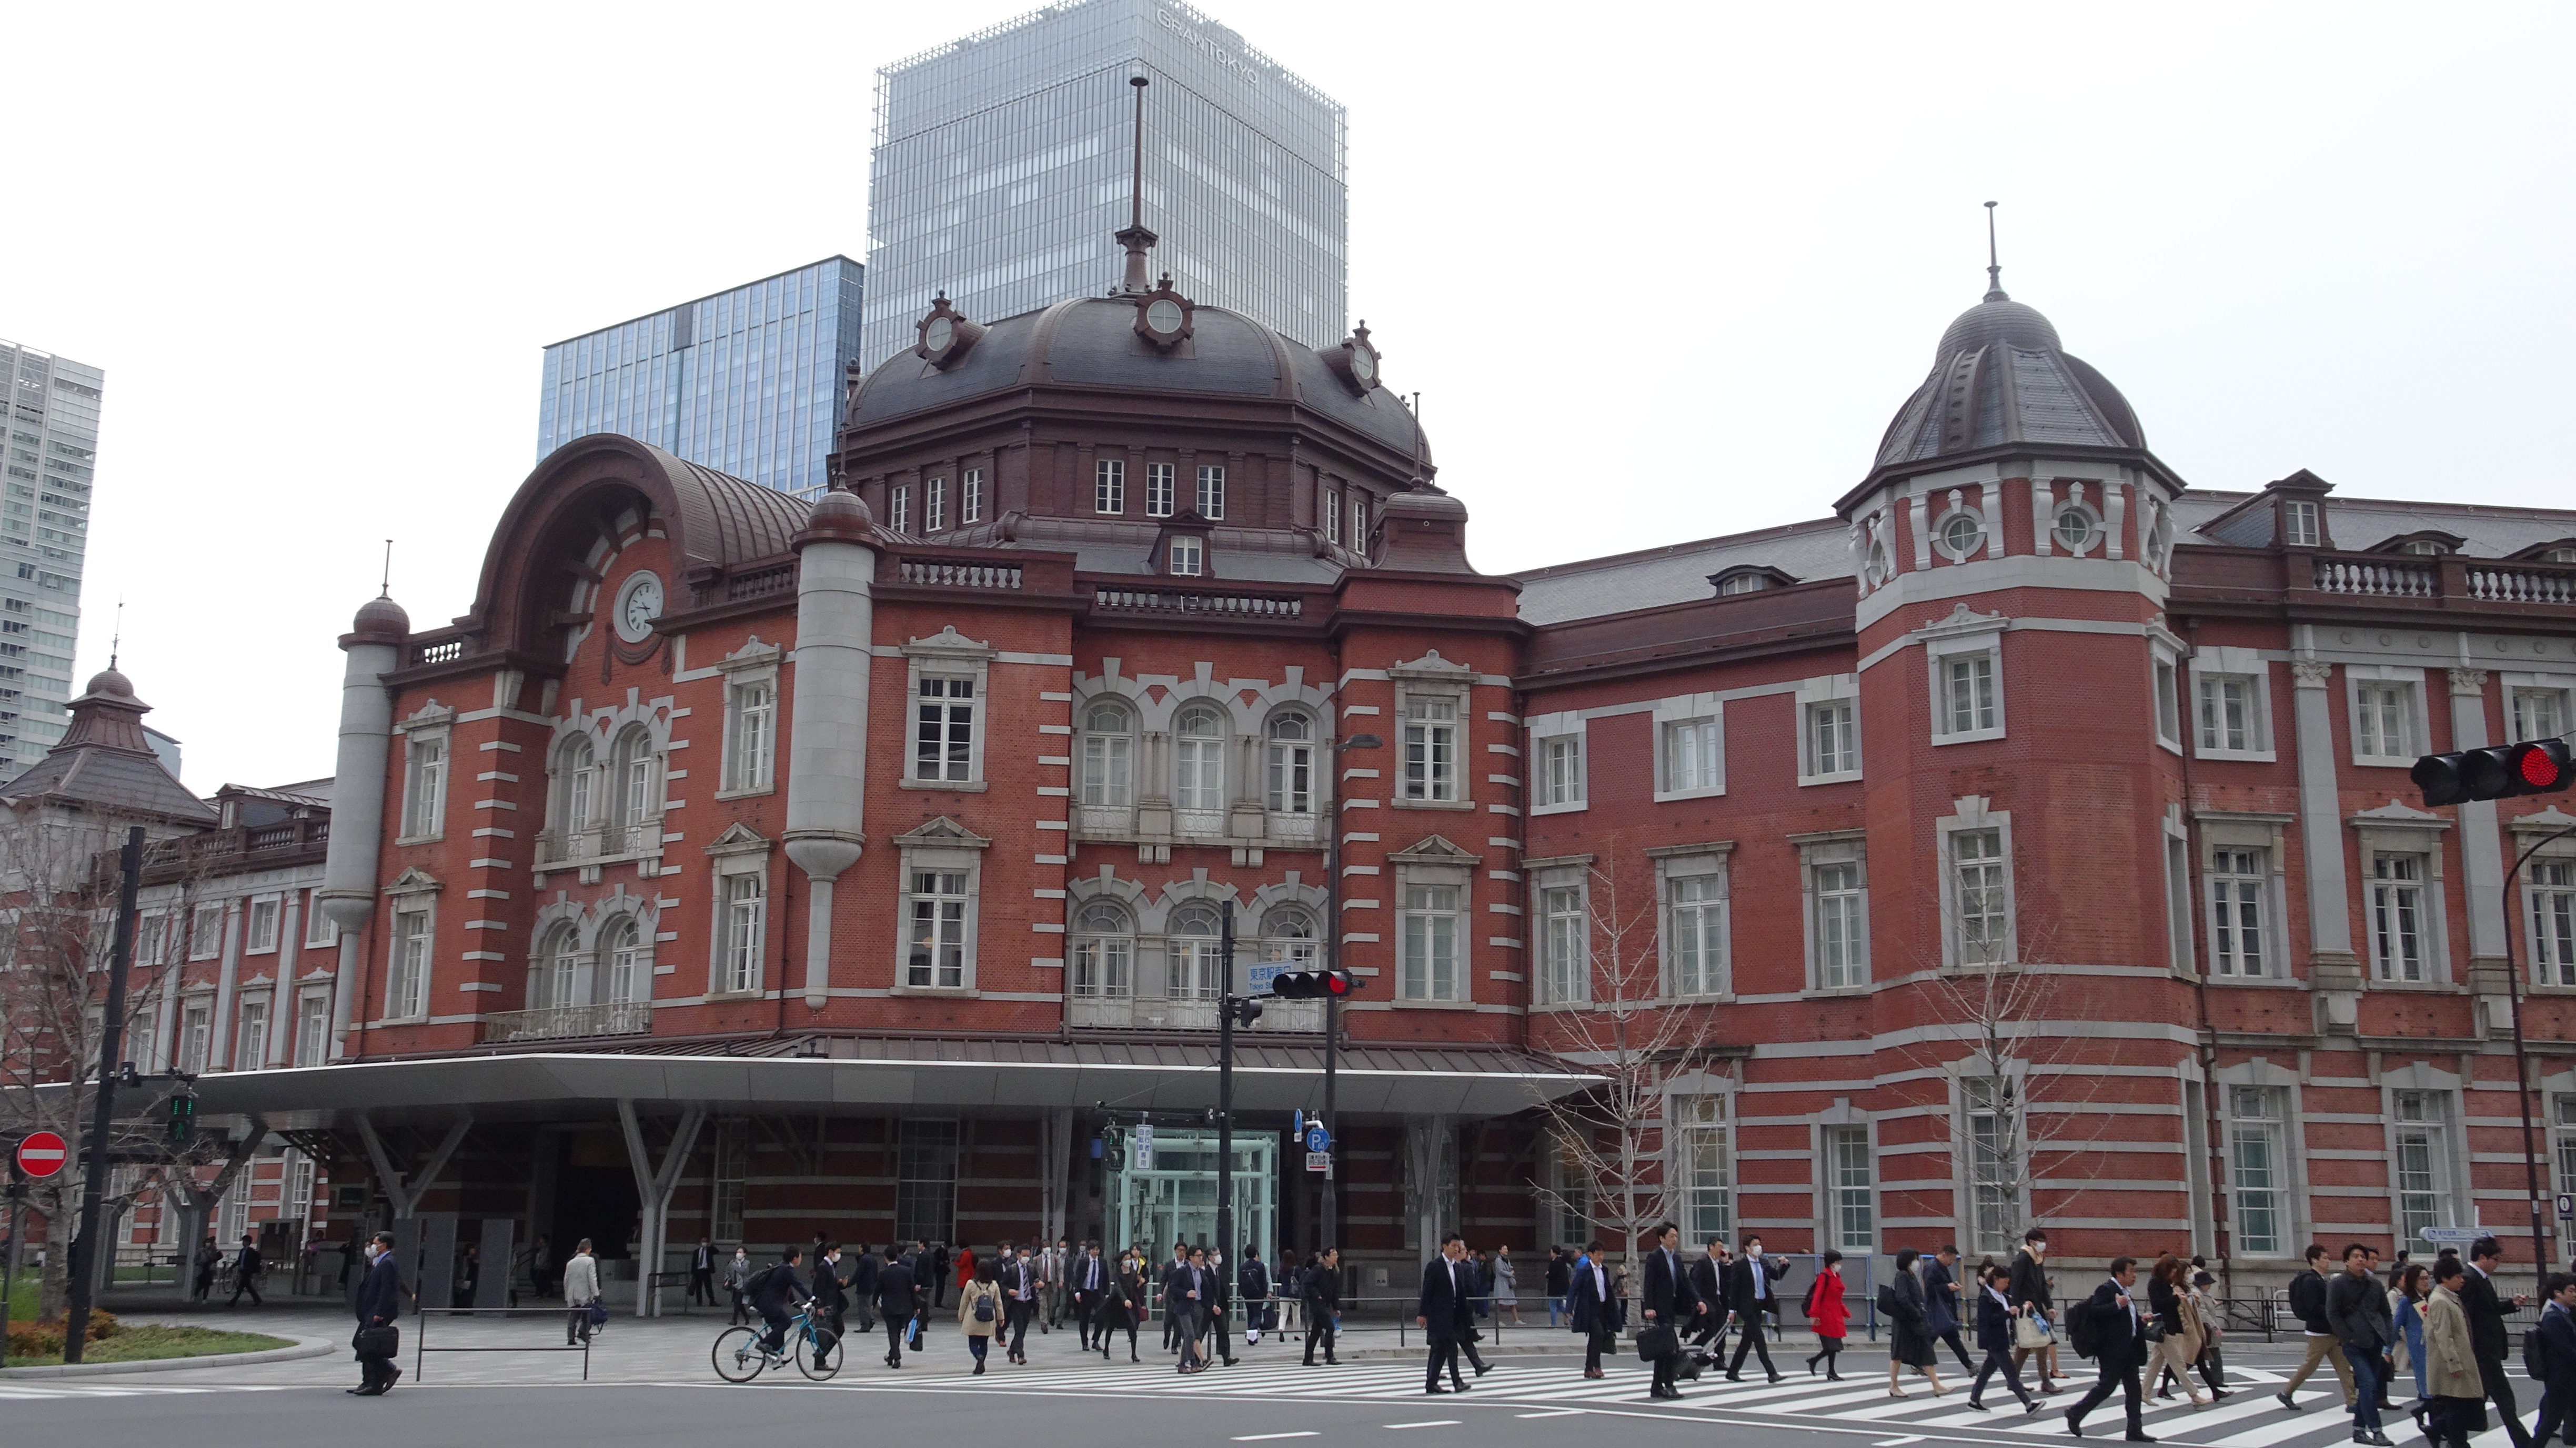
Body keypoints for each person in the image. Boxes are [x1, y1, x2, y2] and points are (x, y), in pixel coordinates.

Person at [2065, 1255, 2150, 1442]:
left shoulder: (2124, 1291)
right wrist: (2117, 1305)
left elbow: (2124, 1319)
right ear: (2119, 1273)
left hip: (2128, 1349)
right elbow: (2095, 1312)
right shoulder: (2107, 1289)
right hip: (2112, 1350)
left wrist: (2140, 1321)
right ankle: (2075, 1413)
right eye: (2131, 1271)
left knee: (2134, 1390)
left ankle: (2135, 1430)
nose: (2135, 1275)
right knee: (2106, 1387)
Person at [2462, 1235, 2535, 1448]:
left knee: (2479, 1399)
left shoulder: (2481, 1278)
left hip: (2488, 1350)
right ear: (2482, 1257)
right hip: (2482, 1351)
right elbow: (2467, 1316)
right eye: (2495, 1259)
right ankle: (2523, 1441)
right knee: (2504, 1399)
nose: (2498, 1264)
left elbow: (2489, 1310)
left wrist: (2511, 1304)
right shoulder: (2470, 1279)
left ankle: (2442, 1428)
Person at [2328, 1242, 2397, 1444]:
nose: (2360, 1260)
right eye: (2355, 1256)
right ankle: (2377, 1430)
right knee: (2368, 1384)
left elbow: (2386, 1313)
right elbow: (2332, 1313)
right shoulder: (2338, 1284)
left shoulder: (2375, 1284)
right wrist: (2346, 1336)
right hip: (2354, 1342)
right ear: (2347, 1261)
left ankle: (2358, 1430)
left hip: (2375, 1340)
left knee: (2369, 1387)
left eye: (2363, 1257)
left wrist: (2387, 1334)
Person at [2281, 1242, 2359, 1412]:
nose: (2328, 1261)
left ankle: (2352, 1402)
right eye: (2325, 1258)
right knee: (2310, 1366)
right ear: (2314, 1260)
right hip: (2319, 1332)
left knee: (2344, 1368)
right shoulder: (2311, 1281)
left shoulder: (2321, 1280)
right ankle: (2286, 1392)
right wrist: (2334, 1312)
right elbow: (2313, 1307)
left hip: (2331, 1331)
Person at [2423, 1256, 2487, 1448]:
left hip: (2458, 1360)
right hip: (2451, 1364)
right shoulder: (2440, 1301)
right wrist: (2454, 1363)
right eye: (2458, 1276)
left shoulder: (2448, 1298)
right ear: (2445, 1278)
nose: (2462, 1280)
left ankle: (2442, 1433)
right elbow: (2444, 1336)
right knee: (2458, 1407)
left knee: (2459, 1406)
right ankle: (2451, 1439)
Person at [1968, 1262, 2044, 1414]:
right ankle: (2028, 1404)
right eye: (2005, 1282)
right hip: (1993, 1339)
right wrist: (2008, 1313)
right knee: (2011, 1373)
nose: (2007, 1285)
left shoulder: (2002, 1296)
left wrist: (2023, 1307)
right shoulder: (1986, 1297)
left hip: (2001, 1337)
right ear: (1995, 1279)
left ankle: (1974, 1400)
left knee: (1987, 1372)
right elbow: (1987, 1320)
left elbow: (2012, 1310)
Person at [1639, 1222, 1703, 1400]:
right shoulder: (1655, 1257)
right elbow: (1649, 1283)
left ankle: (1656, 1387)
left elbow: (1685, 1281)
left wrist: (1698, 1300)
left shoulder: (1676, 1258)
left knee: (1664, 1349)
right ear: (1662, 1238)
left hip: (1672, 1307)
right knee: (1671, 1348)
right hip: (1660, 1309)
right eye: (1671, 1236)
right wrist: (1649, 1307)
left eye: (1676, 1236)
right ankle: (1669, 1385)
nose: (1675, 1239)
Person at [2146, 1253, 2213, 1411]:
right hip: (2164, 1327)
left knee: (2155, 1363)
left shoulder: (2165, 1282)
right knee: (2178, 1365)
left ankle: (2144, 1393)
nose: (2174, 1274)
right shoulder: (2155, 1282)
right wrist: (2176, 1298)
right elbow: (2158, 1304)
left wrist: (2180, 1298)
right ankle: (2194, 1396)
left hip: (2170, 1326)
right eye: (2172, 1271)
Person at [1419, 1232, 1479, 1395]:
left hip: (1454, 1315)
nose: (1457, 1249)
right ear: (1444, 1247)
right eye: (1454, 1246)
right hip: (1439, 1316)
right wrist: (1422, 1314)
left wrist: (1466, 1315)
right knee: (1450, 1348)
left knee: (1441, 1350)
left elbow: (1460, 1294)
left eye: (1458, 1246)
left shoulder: (1457, 1267)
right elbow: (1427, 1291)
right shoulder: (1435, 1266)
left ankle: (1432, 1384)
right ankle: (1456, 1382)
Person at [1887, 1246, 1948, 1397]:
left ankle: (1937, 1385)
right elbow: (1902, 1298)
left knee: (1926, 1350)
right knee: (1898, 1354)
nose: (1916, 1262)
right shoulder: (1902, 1275)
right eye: (1914, 1259)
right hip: (1905, 1321)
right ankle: (1894, 1386)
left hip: (1916, 1320)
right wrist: (1915, 1312)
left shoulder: (1911, 1275)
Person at [350, 1231, 405, 1396]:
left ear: (384, 1245)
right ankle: (369, 1381)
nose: (372, 1247)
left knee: (368, 1345)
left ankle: (380, 1377)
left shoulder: (388, 1263)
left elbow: (388, 1289)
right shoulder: (379, 1262)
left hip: (377, 1312)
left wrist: (380, 1312)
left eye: (375, 1244)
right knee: (363, 1343)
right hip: (370, 1311)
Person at [1726, 1233, 1786, 1383]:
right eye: (1755, 1245)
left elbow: (1776, 1276)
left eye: (1759, 1244)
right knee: (1759, 1339)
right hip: (1746, 1307)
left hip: (1760, 1304)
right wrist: (1732, 1310)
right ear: (1747, 1248)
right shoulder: (1740, 1265)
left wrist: (1784, 1265)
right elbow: (1734, 1289)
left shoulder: (1763, 1263)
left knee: (1746, 1341)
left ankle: (1732, 1371)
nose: (1758, 1247)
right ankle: (1772, 1373)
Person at [2012, 1229, 2065, 1393]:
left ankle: (2015, 1380)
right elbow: (2015, 1285)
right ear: (2031, 1242)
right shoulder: (2023, 1259)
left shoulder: (2038, 1259)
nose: (2043, 1244)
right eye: (2041, 1241)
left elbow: (2042, 1285)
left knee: (2030, 1344)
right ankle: (2044, 1381)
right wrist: (2018, 1306)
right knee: (2034, 1343)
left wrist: (2049, 1306)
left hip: (2037, 1308)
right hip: (2027, 1308)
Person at [2527, 1272, 2575, 1448]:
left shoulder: (2561, 1314)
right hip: (2562, 1379)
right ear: (2558, 1293)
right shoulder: (2553, 1317)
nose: (2575, 1294)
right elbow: (2565, 1349)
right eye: (2571, 1291)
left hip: (2566, 1378)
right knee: (2550, 1423)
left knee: (2550, 1422)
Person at [1569, 1240, 1618, 1380]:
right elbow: (1574, 1289)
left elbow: (1607, 1289)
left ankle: (1589, 1368)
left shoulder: (1604, 1270)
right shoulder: (1584, 1270)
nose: (1601, 1257)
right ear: (1591, 1255)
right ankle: (1596, 1367)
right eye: (1598, 1254)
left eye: (1602, 1254)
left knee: (1595, 1338)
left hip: (1603, 1308)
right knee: (1598, 1334)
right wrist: (1569, 1308)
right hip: (1589, 1309)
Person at [1926, 1245, 1977, 1374]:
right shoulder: (1932, 1267)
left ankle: (1969, 1365)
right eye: (1951, 1260)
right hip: (1938, 1309)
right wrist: (1947, 1287)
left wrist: (1950, 1286)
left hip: (1943, 1309)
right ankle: (1969, 1365)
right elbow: (1930, 1289)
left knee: (1944, 1339)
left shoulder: (1939, 1266)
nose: (1952, 1263)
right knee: (1946, 1339)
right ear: (1945, 1255)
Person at [751, 1245, 808, 1357]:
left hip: (765, 1303)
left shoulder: (782, 1267)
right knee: (787, 1322)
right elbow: (798, 1286)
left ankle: (777, 1357)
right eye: (800, 1257)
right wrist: (812, 1299)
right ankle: (763, 1343)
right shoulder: (787, 1270)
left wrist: (796, 1304)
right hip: (768, 1304)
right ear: (795, 1258)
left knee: (778, 1329)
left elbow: (788, 1288)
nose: (801, 1259)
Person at [1804, 1248, 1850, 1380]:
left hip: (1835, 1314)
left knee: (1834, 1345)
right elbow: (1817, 1296)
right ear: (1831, 1263)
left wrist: (1845, 1312)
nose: (1839, 1265)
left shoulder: (1835, 1276)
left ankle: (1828, 1369)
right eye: (1837, 1262)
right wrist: (1814, 1314)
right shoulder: (1824, 1276)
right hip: (1824, 1315)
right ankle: (1822, 1365)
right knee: (1831, 1346)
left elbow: (1837, 1298)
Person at [1169, 1244, 1213, 1374]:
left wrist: (1209, 1305)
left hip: (1198, 1305)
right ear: (1191, 1258)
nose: (1201, 1258)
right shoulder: (1183, 1271)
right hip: (1185, 1306)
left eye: (1201, 1256)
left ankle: (1182, 1364)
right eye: (1198, 1256)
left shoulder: (1201, 1272)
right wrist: (1186, 1293)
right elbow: (1172, 1287)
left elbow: (1206, 1290)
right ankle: (1193, 1362)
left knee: (1192, 1336)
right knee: (1189, 1333)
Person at [2391, 1263, 2429, 1405]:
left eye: (2427, 1278)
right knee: (2426, 1384)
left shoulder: (2431, 1298)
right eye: (2422, 1279)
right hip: (2418, 1347)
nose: (2426, 1282)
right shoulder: (2406, 1301)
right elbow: (2395, 1326)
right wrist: (2387, 1350)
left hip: (2434, 1345)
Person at [874, 1245, 918, 1368]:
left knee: (892, 1333)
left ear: (885, 1258)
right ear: (897, 1257)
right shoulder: (906, 1271)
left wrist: (873, 1303)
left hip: (889, 1308)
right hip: (904, 1307)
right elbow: (912, 1290)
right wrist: (916, 1306)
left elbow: (877, 1290)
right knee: (897, 1332)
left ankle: (897, 1358)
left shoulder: (883, 1273)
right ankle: (891, 1356)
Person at [958, 1260, 1003, 1375]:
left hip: (974, 1317)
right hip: (988, 1318)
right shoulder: (994, 1285)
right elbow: (998, 1303)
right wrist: (1001, 1317)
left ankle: (979, 1357)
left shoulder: (971, 1284)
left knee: (973, 1343)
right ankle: (981, 1363)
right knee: (984, 1343)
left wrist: (961, 1316)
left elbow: (964, 1301)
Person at [1687, 1238, 1729, 1349]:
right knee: (1711, 1330)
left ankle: (1719, 1357)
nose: (1721, 1249)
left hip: (1719, 1301)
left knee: (1721, 1332)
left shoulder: (1719, 1264)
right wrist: (1698, 1301)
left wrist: (1726, 1263)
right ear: (1711, 1247)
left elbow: (1727, 1281)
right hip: (1708, 1301)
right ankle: (1693, 1349)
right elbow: (1696, 1282)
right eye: (1719, 1246)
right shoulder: (1703, 1263)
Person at [1304, 1247, 1342, 1366]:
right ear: (1326, 1257)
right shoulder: (1318, 1269)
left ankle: (1308, 1358)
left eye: (1336, 1255)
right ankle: (1329, 1356)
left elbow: (1334, 1292)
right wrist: (1317, 1295)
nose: (1336, 1258)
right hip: (1317, 1304)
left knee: (1316, 1332)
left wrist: (1336, 1307)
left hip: (1325, 1304)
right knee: (1330, 1327)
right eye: (1333, 1255)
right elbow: (1307, 1283)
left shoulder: (1333, 1271)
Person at [1104, 1251, 1143, 1363]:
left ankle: (1134, 1354)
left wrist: (1140, 1284)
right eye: (1126, 1259)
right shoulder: (1117, 1273)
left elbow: (1134, 1289)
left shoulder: (1133, 1273)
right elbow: (1118, 1288)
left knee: (1132, 1328)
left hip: (1130, 1304)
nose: (1128, 1261)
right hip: (1117, 1303)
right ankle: (1106, 1349)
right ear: (1121, 1261)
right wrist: (1125, 1299)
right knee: (1111, 1327)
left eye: (1129, 1259)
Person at [562, 1238, 601, 1346]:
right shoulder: (590, 1261)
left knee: (573, 1317)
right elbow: (592, 1278)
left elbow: (566, 1280)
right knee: (588, 1315)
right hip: (584, 1293)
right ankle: (583, 1333)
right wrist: (596, 1293)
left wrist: (567, 1294)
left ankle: (571, 1338)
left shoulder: (571, 1262)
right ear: (588, 1249)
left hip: (572, 1293)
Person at [811, 1241, 849, 1343]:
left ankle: (823, 1351)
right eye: (838, 1252)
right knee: (831, 1330)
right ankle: (823, 1351)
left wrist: (841, 1284)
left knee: (838, 1329)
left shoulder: (830, 1266)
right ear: (831, 1252)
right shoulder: (823, 1267)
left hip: (832, 1304)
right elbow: (819, 1288)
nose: (839, 1255)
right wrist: (820, 1306)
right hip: (827, 1305)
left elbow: (831, 1286)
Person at [1071, 1241, 1106, 1350]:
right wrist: (1077, 1291)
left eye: (1097, 1250)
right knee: (1084, 1319)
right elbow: (1077, 1278)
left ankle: (1096, 1340)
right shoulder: (1083, 1262)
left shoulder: (1102, 1262)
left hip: (1097, 1293)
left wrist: (1107, 1294)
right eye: (1093, 1250)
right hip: (1085, 1292)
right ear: (1089, 1251)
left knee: (1101, 1316)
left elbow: (1106, 1278)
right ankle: (1084, 1343)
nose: (1096, 1252)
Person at [1240, 1244, 1271, 1348]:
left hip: (1247, 1294)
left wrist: (1243, 1292)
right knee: (1257, 1316)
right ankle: (1250, 1333)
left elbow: (1240, 1282)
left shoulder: (1242, 1267)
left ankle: (1252, 1339)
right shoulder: (1260, 1266)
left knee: (1250, 1315)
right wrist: (1265, 1292)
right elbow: (1263, 1281)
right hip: (1258, 1294)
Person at [227, 1231, 265, 1308]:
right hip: (243, 1270)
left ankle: (233, 1302)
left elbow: (252, 1261)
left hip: (247, 1271)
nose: (243, 1243)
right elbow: (240, 1260)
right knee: (248, 1287)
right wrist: (233, 1266)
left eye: (244, 1241)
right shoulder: (242, 1251)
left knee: (241, 1287)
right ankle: (257, 1299)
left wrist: (251, 1269)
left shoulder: (251, 1252)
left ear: (248, 1242)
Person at [849, 1243, 880, 1333]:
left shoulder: (864, 1259)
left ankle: (865, 1324)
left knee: (863, 1306)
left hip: (863, 1285)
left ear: (862, 1249)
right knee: (866, 1304)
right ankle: (870, 1319)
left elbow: (858, 1273)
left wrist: (850, 1283)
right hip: (871, 1285)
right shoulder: (873, 1259)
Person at [722, 1245, 754, 1326]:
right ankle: (746, 1316)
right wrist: (727, 1280)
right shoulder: (732, 1262)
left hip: (742, 1285)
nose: (739, 1254)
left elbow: (743, 1271)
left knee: (737, 1302)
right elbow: (728, 1272)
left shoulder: (747, 1263)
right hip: (734, 1284)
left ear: (744, 1254)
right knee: (738, 1303)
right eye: (738, 1252)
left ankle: (734, 1320)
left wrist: (734, 1265)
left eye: (740, 1252)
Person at [1492, 1244, 1520, 1326]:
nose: (1506, 1250)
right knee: (1500, 1303)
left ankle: (1517, 1320)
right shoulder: (1498, 1260)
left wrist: (1511, 1270)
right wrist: (1510, 1273)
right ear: (1500, 1251)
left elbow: (1510, 1267)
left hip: (1508, 1283)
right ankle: (1498, 1321)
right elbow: (1500, 1271)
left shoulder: (1507, 1259)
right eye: (1504, 1249)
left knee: (1512, 1302)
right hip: (1501, 1284)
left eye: (1507, 1249)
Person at [1546, 1246, 1572, 1330]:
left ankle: (1554, 1324)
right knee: (1560, 1306)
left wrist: (1548, 1274)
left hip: (1554, 1288)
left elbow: (1552, 1275)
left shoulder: (1554, 1262)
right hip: (1561, 1288)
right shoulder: (1562, 1262)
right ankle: (1572, 1319)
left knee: (1553, 1306)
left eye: (1551, 1252)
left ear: (1554, 1253)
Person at [689, 1236, 716, 1308]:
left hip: (706, 1270)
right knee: (698, 1288)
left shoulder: (709, 1251)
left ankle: (712, 1301)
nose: (704, 1243)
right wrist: (693, 1272)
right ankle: (699, 1302)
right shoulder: (697, 1251)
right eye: (703, 1242)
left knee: (709, 1287)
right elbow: (694, 1262)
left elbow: (716, 1252)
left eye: (706, 1242)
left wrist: (711, 1246)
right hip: (698, 1271)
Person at [193, 1235, 220, 1302]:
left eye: (209, 1243)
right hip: (202, 1268)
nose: (208, 1244)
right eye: (207, 1243)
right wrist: (199, 1263)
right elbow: (196, 1259)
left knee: (207, 1285)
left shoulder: (213, 1250)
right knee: (200, 1285)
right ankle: (195, 1296)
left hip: (209, 1269)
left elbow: (214, 1258)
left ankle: (204, 1298)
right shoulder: (201, 1250)